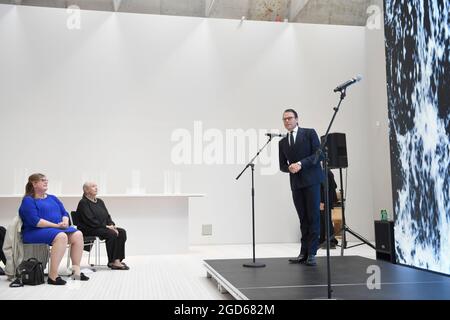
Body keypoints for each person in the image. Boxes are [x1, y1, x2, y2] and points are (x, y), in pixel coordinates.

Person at [18, 173, 89, 285]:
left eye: (46, 180)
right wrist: (57, 226)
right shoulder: (28, 200)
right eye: (42, 180)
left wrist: (65, 221)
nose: (46, 182)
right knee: (61, 236)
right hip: (34, 231)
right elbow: (35, 221)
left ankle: (76, 271)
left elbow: (64, 212)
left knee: (78, 234)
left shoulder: (53, 198)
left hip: (54, 230)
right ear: (34, 184)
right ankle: (53, 276)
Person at [279, 109, 324, 266]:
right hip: (296, 184)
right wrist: (289, 168)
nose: (287, 121)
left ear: (297, 119)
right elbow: (282, 166)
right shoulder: (282, 142)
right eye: (284, 119)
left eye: (290, 118)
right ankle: (303, 252)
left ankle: (312, 252)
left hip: (312, 181)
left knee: (313, 217)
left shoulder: (310, 133)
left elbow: (319, 155)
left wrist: (300, 164)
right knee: (303, 218)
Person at [76, 182, 129, 270]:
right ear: (86, 190)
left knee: (122, 232)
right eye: (93, 186)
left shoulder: (100, 201)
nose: (96, 188)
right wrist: (107, 227)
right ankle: (113, 262)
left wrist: (111, 224)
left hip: (101, 227)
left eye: (96, 186)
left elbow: (107, 216)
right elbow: (89, 220)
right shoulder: (83, 203)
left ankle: (117, 260)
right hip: (89, 228)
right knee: (111, 233)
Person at [319, 169, 339, 249]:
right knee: (324, 221)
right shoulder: (328, 171)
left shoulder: (324, 172)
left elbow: (324, 188)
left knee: (326, 221)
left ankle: (331, 241)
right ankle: (325, 240)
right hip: (327, 200)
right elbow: (335, 185)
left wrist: (322, 201)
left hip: (324, 201)